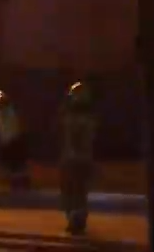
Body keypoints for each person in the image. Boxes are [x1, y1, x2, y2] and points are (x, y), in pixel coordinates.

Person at [58, 81, 97, 236]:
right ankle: (78, 219)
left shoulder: (72, 118)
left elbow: (72, 139)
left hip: (73, 159)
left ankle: (75, 219)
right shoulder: (89, 118)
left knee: (72, 191)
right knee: (79, 192)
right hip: (82, 158)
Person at [0, 88, 28, 191]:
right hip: (8, 140)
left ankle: (21, 183)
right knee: (12, 165)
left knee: (16, 164)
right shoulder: (1, 113)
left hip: (13, 140)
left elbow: (13, 125)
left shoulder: (9, 111)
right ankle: (16, 183)